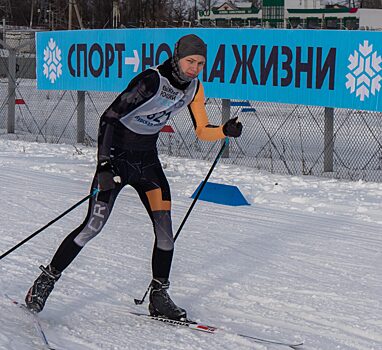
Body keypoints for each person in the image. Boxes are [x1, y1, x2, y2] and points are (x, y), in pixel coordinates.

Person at [25, 34, 242, 320]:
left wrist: (224, 131)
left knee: (166, 233)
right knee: (93, 226)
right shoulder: (151, 81)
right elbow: (109, 117)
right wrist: (103, 164)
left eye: (200, 63)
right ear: (177, 57)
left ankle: (159, 295)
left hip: (147, 163)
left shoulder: (194, 88)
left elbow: (202, 130)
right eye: (190, 61)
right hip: (116, 159)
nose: (195, 68)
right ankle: (46, 280)